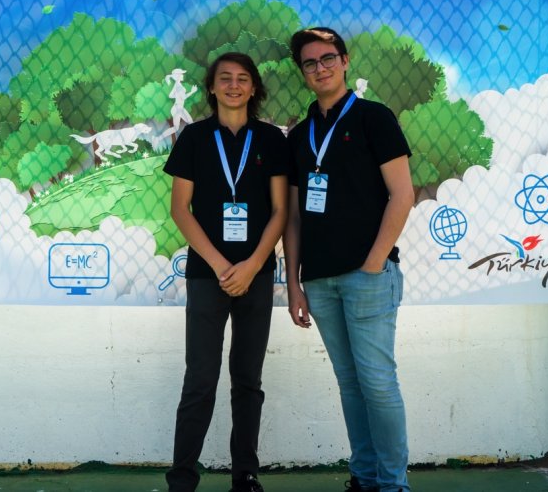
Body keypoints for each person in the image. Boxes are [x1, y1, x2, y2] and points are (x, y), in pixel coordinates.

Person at [283, 28, 414, 492]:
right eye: (310, 63)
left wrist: (374, 262)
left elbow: (403, 194)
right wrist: (294, 283)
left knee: (377, 382)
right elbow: (293, 216)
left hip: (368, 276)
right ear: (302, 72)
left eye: (327, 58)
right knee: (350, 383)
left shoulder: (374, 118)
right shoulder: (299, 135)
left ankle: (393, 485)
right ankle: (364, 476)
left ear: (344, 60)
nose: (320, 68)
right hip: (320, 280)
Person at [164, 52, 289, 492]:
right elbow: (180, 209)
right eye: (225, 78)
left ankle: (245, 474)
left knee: (248, 380)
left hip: (256, 274)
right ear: (212, 87)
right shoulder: (194, 138)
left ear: (254, 88)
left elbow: (280, 211)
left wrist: (252, 265)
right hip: (207, 275)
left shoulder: (271, 139)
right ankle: (182, 478)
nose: (234, 85)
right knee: (200, 378)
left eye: (242, 79)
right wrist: (221, 266)